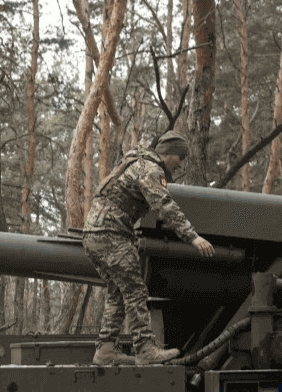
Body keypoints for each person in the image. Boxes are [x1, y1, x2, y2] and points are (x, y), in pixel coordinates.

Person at [81, 130, 215, 366]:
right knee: (135, 290)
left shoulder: (137, 161)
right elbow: (164, 204)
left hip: (94, 234)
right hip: (111, 234)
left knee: (118, 292)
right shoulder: (151, 169)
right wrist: (192, 237)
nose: (181, 165)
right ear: (169, 153)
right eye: (180, 158)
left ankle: (105, 350)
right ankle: (145, 349)